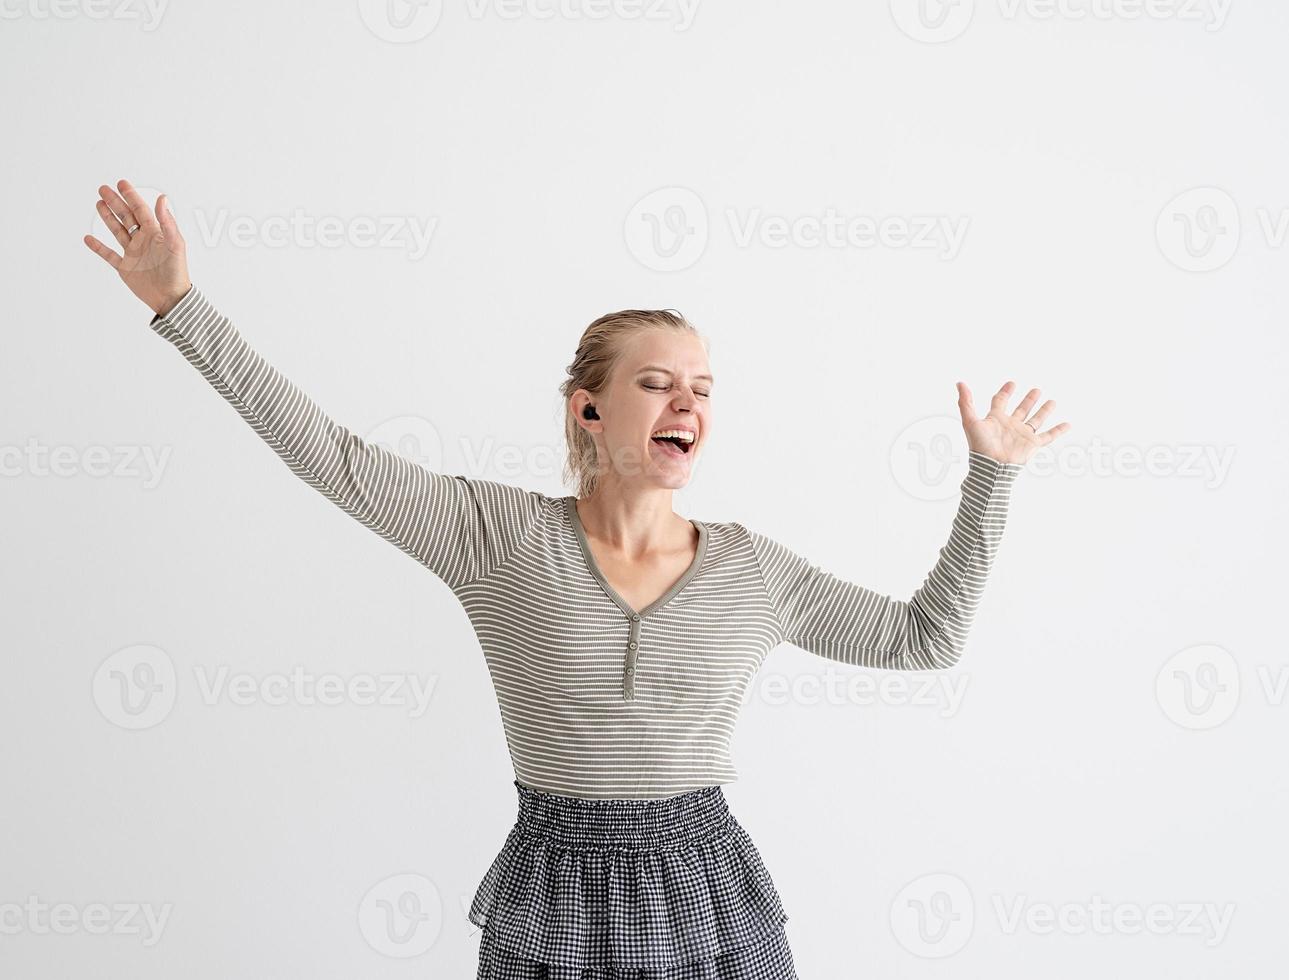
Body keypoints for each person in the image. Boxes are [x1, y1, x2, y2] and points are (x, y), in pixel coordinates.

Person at [84, 178, 1070, 979]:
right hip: (547, 902)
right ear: (588, 410)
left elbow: (924, 639)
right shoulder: (495, 536)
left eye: (702, 388)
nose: (687, 401)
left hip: (711, 899)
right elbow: (329, 455)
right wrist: (181, 305)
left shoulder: (753, 571)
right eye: (656, 381)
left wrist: (992, 476)